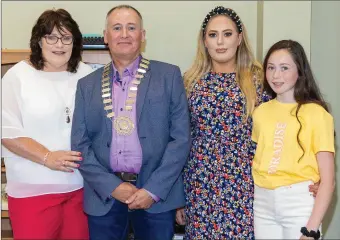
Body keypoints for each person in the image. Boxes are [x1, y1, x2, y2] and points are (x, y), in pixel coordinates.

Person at [176, 6, 319, 239]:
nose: (220, 42)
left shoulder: (262, 79)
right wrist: (177, 197)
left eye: (228, 34)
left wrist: (316, 176)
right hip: (200, 184)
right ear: (204, 41)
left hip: (249, 184)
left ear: (240, 38)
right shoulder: (189, 82)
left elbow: (296, 124)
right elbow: (180, 140)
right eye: (213, 35)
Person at [71, 4, 191, 240]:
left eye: (131, 27)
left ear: (142, 36)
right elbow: (80, 144)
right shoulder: (87, 85)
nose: (124, 34)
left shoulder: (169, 76)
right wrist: (112, 187)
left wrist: (153, 189)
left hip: (156, 197)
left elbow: (181, 139)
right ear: (106, 36)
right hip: (104, 196)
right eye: (117, 28)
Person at [1, 9, 93, 239]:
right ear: (38, 41)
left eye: (66, 37)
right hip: (33, 193)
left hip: (80, 190)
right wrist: (47, 157)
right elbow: (8, 132)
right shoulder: (17, 76)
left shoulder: (86, 74)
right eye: (51, 37)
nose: (59, 44)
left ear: (75, 42)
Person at [252, 39, 335, 239]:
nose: (276, 75)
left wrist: (311, 229)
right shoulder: (260, 112)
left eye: (284, 68)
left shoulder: (317, 114)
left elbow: (329, 180)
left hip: (299, 202)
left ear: (300, 72)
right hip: (262, 202)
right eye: (271, 67)